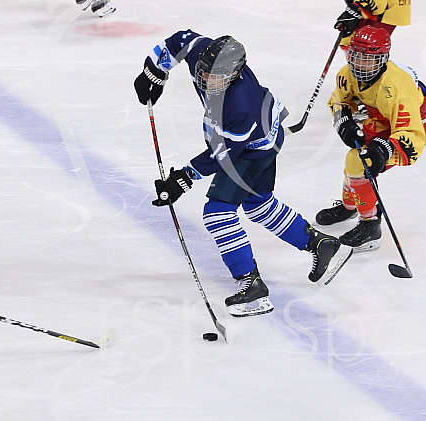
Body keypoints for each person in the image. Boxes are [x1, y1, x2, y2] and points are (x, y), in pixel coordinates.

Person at [133, 30, 353, 317]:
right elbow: (180, 40)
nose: (207, 81)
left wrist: (181, 180)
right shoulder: (203, 56)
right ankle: (322, 245)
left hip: (255, 146)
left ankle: (252, 286)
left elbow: (221, 156)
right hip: (261, 128)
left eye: (216, 78)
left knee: (218, 212)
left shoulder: (239, 105)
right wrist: (154, 72)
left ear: (234, 75)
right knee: (258, 204)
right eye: (204, 73)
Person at [315, 25, 426, 252]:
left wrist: (386, 147)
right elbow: (339, 101)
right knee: (355, 160)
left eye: (369, 59)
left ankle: (370, 226)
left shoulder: (397, 87)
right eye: (356, 57)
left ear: (383, 58)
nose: (360, 65)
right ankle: (351, 206)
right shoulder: (347, 73)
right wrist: (344, 121)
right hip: (378, 113)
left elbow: (412, 135)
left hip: (409, 117)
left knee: (360, 162)